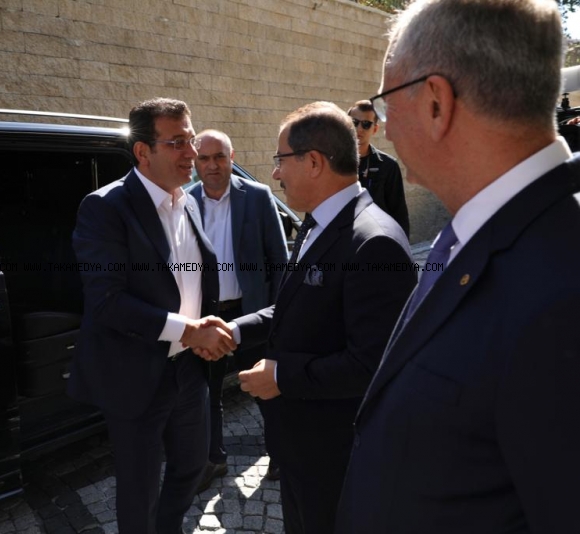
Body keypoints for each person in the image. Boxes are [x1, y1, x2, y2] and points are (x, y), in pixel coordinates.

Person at [335, 1, 580, 533]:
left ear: (436, 104)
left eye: (385, 104)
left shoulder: (563, 293)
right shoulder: (480, 230)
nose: (384, 130)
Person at [225, 102, 416, 534]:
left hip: (336, 456)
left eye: (280, 160)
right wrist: (236, 330)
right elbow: (296, 305)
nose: (275, 173)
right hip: (302, 449)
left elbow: (372, 366)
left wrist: (282, 376)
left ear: (313, 162)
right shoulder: (320, 222)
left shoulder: (374, 242)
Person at [69, 97, 236, 534]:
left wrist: (202, 331)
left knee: (193, 464)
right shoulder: (106, 207)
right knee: (139, 486)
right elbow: (107, 301)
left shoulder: (189, 202)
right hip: (135, 372)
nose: (192, 152)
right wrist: (189, 330)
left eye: (191, 139)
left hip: (188, 370)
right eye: (177, 142)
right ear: (143, 151)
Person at [188, 129, 288, 490]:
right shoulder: (184, 201)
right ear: (195, 162)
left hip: (252, 314)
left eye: (219, 157)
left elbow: (279, 261)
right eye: (204, 158)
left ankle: (281, 454)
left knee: (264, 387)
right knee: (207, 393)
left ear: (232, 158)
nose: (212, 165)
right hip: (206, 317)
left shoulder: (257, 196)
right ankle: (213, 460)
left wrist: (277, 312)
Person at [347, 100, 410, 237]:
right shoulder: (332, 162)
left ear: (375, 129)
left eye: (366, 124)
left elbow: (399, 214)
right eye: (354, 122)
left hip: (376, 241)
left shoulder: (388, 166)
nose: (359, 129)